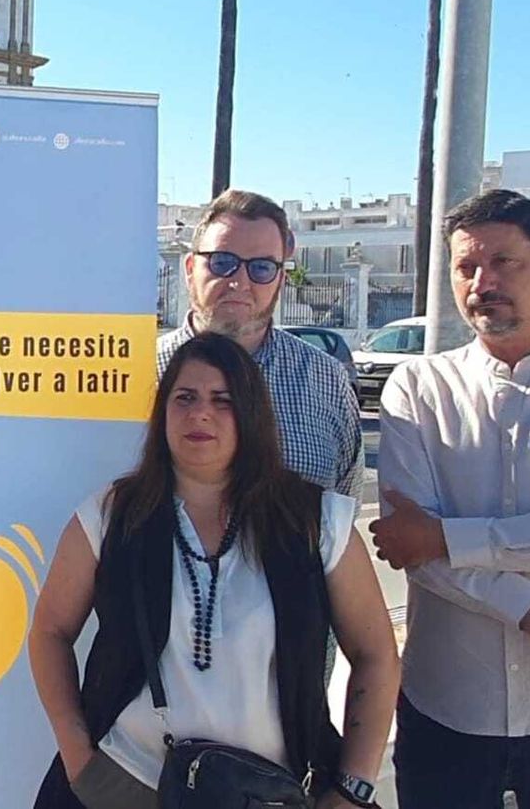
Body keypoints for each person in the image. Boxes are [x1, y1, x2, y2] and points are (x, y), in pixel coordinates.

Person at [29, 332, 399, 809]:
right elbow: (50, 631)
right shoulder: (112, 513)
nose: (200, 413)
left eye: (222, 400)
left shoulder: (318, 522)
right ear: (163, 412)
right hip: (124, 786)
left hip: (270, 792)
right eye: (185, 397)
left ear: (251, 414)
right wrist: (79, 756)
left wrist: (352, 788)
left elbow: (376, 656)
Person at [371, 189, 530, 809]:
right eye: (466, 267)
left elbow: (432, 540)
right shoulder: (418, 387)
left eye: (504, 262)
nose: (483, 282)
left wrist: (452, 537)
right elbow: (412, 548)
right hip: (449, 706)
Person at [160, 191, 363, 496]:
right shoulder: (138, 372)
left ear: (280, 280)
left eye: (262, 267)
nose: (240, 281)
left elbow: (343, 516)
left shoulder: (326, 381)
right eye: (222, 261)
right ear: (190, 269)